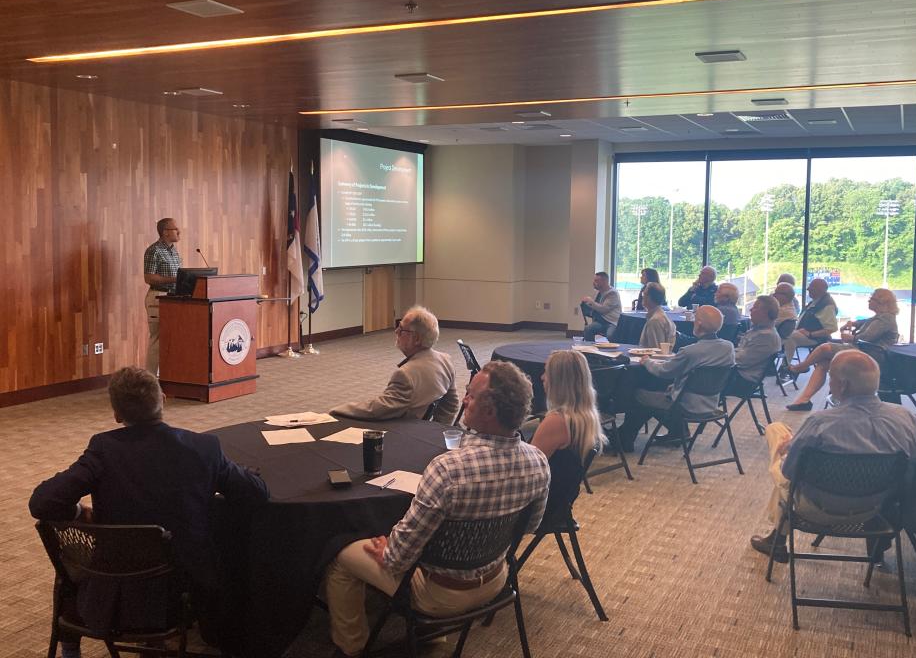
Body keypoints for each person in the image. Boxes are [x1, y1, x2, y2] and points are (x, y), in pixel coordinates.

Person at [29, 367, 269, 658]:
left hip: (114, 585)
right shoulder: (204, 448)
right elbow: (255, 493)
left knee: (70, 569)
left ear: (117, 415)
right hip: (183, 589)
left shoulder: (103, 449)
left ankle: (70, 650)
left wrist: (79, 511)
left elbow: (42, 502)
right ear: (163, 400)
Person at [324, 360, 550, 657]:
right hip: (496, 580)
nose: (465, 400)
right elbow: (530, 527)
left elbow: (396, 559)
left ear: (490, 411)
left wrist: (388, 548)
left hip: (439, 594)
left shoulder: (449, 469)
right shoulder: (538, 461)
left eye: (471, 395)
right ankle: (434, 640)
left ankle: (351, 648)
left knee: (339, 556)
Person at [750, 351, 916, 563]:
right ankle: (776, 539)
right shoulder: (905, 417)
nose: (828, 382)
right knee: (786, 448)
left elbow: (790, 472)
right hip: (876, 508)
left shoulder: (820, 423)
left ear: (843, 385)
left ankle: (777, 539)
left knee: (776, 433)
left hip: (815, 507)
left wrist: (789, 447)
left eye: (830, 377)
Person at [617, 305, 735, 450]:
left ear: (698, 324)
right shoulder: (729, 348)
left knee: (639, 394)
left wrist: (646, 361)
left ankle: (624, 439)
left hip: (686, 405)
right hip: (711, 403)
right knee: (661, 393)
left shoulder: (690, 351)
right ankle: (678, 432)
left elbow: (664, 371)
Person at [329, 306, 459, 423]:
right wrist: (438, 430)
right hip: (424, 432)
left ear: (417, 339)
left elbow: (377, 410)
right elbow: (451, 404)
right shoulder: (445, 360)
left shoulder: (406, 374)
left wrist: (339, 409)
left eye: (402, 329)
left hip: (403, 434)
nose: (396, 331)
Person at [785, 288, 900, 411]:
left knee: (825, 348)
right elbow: (866, 322)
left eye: (872, 299)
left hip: (869, 355)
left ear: (881, 302)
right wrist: (853, 323)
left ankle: (800, 367)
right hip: (865, 352)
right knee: (823, 364)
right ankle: (804, 399)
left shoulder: (885, 319)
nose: (869, 301)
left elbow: (865, 338)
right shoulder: (880, 317)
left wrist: (849, 337)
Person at [531, 350, 606, 461]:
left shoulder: (556, 421)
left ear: (559, 381)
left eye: (546, 372)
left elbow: (529, 465)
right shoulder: (587, 415)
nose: (542, 377)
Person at [143, 217, 181, 375]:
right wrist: (174, 279)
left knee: (173, 338)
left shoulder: (173, 251)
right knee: (157, 339)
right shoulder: (154, 250)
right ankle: (150, 380)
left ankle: (168, 376)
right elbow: (149, 278)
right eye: (175, 228)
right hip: (158, 297)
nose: (179, 231)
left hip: (173, 297)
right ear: (165, 232)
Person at [725, 295, 782, 395]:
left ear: (765, 313)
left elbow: (741, 361)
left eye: (755, 307)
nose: (751, 309)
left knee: (700, 377)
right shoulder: (758, 330)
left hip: (743, 381)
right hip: (737, 374)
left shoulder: (766, 336)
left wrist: (718, 356)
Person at [780, 278, 838, 370]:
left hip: (816, 338)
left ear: (820, 290)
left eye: (812, 287)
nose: (808, 289)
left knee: (790, 336)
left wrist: (810, 334)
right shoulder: (817, 302)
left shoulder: (827, 305)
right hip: (804, 334)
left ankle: (785, 367)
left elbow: (832, 328)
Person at [581, 271, 622, 341]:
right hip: (601, 321)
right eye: (594, 280)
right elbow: (595, 306)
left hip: (611, 322)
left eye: (596, 281)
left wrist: (591, 301)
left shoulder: (612, 293)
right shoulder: (598, 292)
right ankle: (589, 349)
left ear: (604, 281)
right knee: (588, 329)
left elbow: (603, 309)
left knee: (610, 335)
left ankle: (611, 351)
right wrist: (586, 303)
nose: (593, 283)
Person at [637, 282, 676, 350]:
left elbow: (655, 350)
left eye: (644, 294)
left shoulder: (655, 321)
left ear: (649, 298)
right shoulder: (660, 316)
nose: (642, 296)